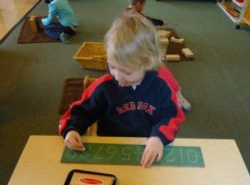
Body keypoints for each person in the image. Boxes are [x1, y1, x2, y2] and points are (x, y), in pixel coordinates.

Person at [59, 13, 185, 168]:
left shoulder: (160, 87)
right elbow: (80, 111)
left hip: (146, 146)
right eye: (112, 66)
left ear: (147, 63)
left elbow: (172, 115)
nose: (118, 77)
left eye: (127, 71)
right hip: (110, 146)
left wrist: (158, 138)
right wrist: (72, 130)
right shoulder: (104, 87)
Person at [125, 0, 192, 112]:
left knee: (156, 73)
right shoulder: (134, 15)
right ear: (138, 3)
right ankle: (175, 95)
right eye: (143, 5)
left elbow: (146, 19)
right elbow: (147, 21)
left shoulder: (130, 12)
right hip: (137, 51)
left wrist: (160, 22)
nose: (143, 7)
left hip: (137, 49)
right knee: (157, 72)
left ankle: (175, 94)